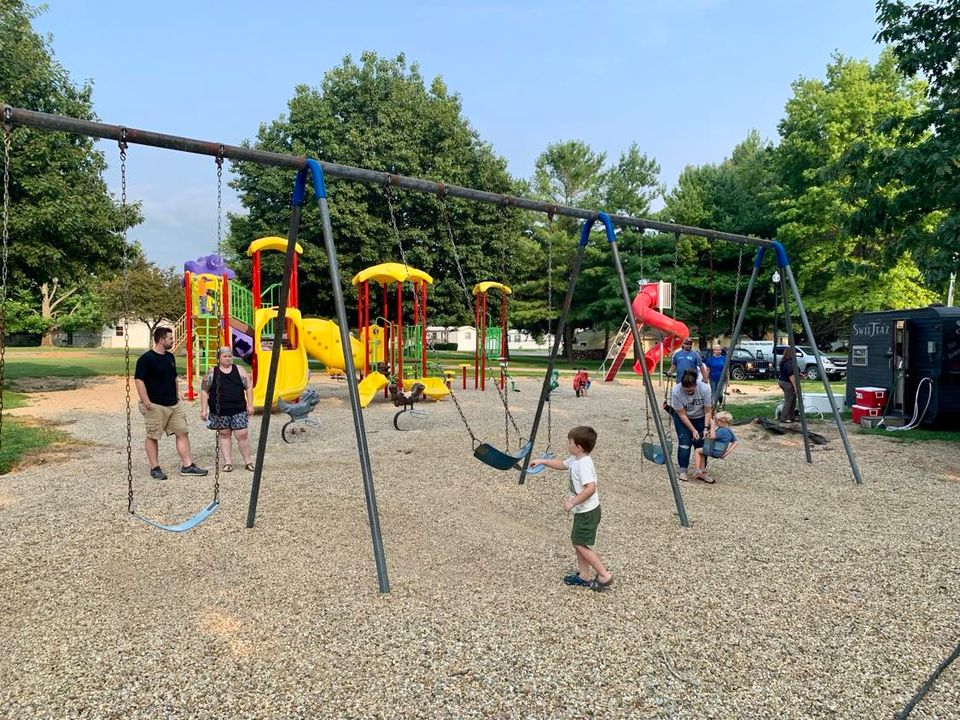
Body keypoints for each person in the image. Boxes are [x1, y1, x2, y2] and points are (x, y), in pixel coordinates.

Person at [529, 426, 613, 592]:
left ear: (578, 447)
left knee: (580, 544)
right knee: (578, 542)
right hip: (584, 511)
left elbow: (591, 488)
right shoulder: (576, 459)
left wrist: (573, 501)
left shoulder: (584, 465)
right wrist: (543, 461)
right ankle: (584, 575)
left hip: (587, 512)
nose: (568, 444)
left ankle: (604, 575)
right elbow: (561, 464)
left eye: (570, 442)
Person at [134, 326, 208, 479]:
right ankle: (155, 468)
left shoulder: (169, 357)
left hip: (173, 404)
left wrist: (176, 396)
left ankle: (187, 466)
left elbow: (173, 378)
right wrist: (147, 402)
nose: (173, 341)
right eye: (170, 338)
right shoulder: (146, 359)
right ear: (161, 340)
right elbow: (139, 380)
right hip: (155, 405)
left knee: (183, 432)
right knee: (153, 436)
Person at [200, 346, 255, 471]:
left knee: (242, 434)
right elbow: (204, 390)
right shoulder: (212, 372)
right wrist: (203, 409)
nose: (227, 359)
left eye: (229, 356)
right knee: (224, 434)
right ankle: (228, 462)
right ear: (219, 358)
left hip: (238, 408)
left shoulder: (239, 370)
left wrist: (250, 405)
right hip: (219, 409)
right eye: (225, 356)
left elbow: (249, 387)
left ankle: (248, 461)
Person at [670, 368, 714, 482]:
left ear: (696, 384)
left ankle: (701, 470)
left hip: (701, 417)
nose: (689, 392)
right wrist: (693, 430)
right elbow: (682, 414)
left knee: (702, 443)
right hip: (683, 419)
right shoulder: (676, 391)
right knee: (685, 443)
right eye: (686, 390)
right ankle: (683, 470)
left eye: (692, 390)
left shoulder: (704, 389)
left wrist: (705, 428)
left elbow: (708, 411)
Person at [691, 410, 738, 484]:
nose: (716, 423)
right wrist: (727, 452)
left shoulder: (723, 431)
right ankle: (702, 470)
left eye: (717, 422)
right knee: (702, 453)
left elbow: (712, 437)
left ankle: (697, 470)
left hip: (715, 451)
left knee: (697, 450)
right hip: (720, 452)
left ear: (723, 422)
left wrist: (712, 425)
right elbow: (735, 442)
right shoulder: (729, 430)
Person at [778, 345, 799, 422]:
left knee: (793, 399)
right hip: (787, 383)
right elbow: (791, 375)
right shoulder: (790, 362)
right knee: (789, 400)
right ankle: (783, 417)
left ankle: (791, 416)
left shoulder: (783, 361)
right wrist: (795, 386)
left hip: (782, 381)